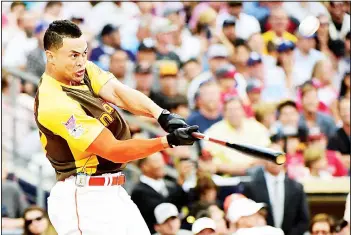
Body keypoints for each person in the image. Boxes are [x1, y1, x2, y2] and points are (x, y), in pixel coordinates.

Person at [35, 20, 199, 235]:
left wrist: (162, 115)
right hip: (83, 197)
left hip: (112, 190)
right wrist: (167, 141)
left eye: (84, 53)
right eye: (74, 55)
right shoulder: (54, 102)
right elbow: (114, 151)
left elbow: (118, 93)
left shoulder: (82, 70)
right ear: (51, 56)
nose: (81, 61)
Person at [204, 97, 270, 176]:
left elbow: (266, 155)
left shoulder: (257, 127)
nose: (234, 113)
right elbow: (210, 164)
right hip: (226, 179)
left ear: (243, 111)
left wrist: (249, 167)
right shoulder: (213, 132)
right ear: (224, 113)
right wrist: (245, 168)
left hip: (256, 176)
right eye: (230, 110)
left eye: (237, 109)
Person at [243, 158, 310, 235]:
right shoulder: (252, 186)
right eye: (271, 157)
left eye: (279, 157)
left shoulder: (296, 187)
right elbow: (247, 219)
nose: (275, 161)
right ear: (264, 159)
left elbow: (304, 220)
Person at [131, 152, 192, 233]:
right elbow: (163, 210)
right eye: (157, 161)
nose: (162, 164)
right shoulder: (139, 192)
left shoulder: (170, 185)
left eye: (162, 160)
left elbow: (183, 204)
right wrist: (180, 182)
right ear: (144, 166)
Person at [327, 97, 351, 171]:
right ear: (339, 113)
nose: (347, 113)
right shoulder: (334, 136)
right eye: (344, 110)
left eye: (348, 109)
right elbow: (333, 158)